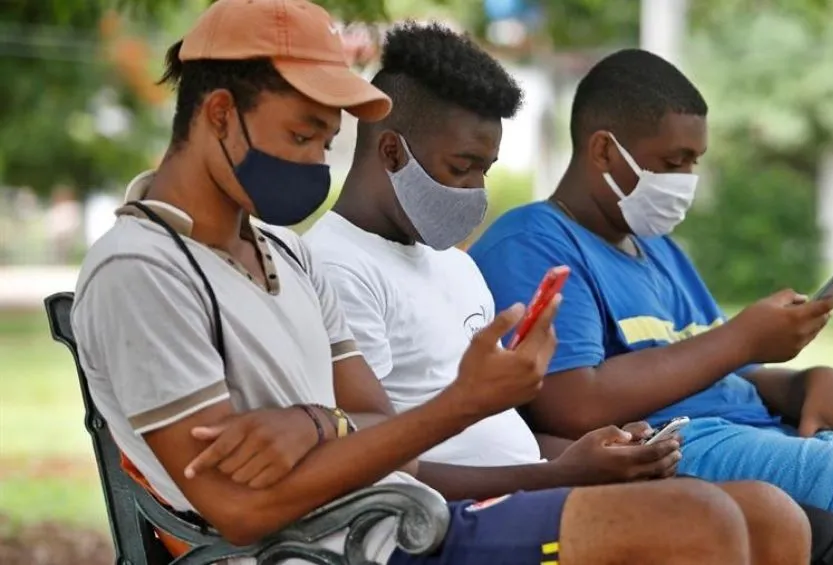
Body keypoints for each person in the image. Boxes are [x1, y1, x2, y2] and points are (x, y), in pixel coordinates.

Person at [69, 3, 763, 564]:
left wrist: (315, 421)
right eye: (303, 135)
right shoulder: (143, 270)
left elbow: (380, 423)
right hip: (345, 542)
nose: (317, 163)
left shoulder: (285, 252)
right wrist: (464, 400)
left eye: (326, 140)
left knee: (760, 518)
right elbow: (242, 509)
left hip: (395, 520)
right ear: (219, 113)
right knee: (692, 521)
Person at [304, 22, 833, 565]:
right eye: (463, 168)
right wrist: (552, 476)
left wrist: (590, 455)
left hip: (527, 486)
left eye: (488, 168)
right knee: (706, 516)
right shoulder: (336, 265)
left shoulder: (451, 265)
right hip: (437, 519)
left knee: (770, 514)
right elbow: (377, 464)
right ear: (391, 153)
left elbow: (505, 432)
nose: (479, 191)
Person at [469, 48, 833, 565]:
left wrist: (807, 381)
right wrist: (743, 337)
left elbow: (734, 370)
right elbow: (572, 404)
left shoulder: (658, 250)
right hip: (685, 443)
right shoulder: (533, 241)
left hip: (767, 425)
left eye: (694, 162)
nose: (685, 181)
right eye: (672, 162)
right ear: (604, 151)